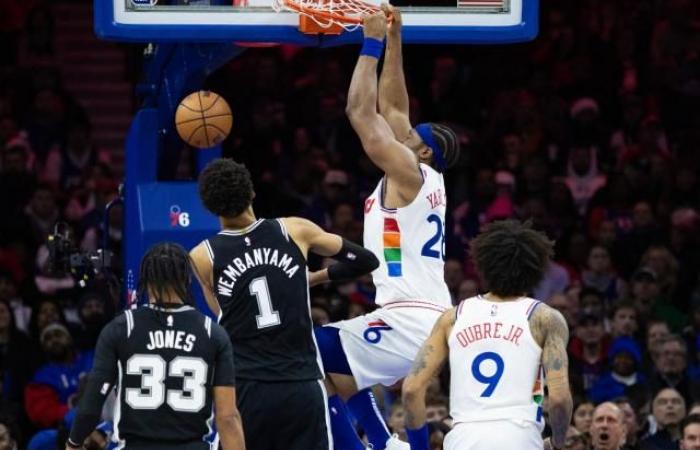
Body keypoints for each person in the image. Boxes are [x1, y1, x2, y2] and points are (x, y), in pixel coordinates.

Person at [317, 8, 461, 450]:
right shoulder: (418, 173)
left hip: (413, 316)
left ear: (425, 154)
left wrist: (371, 44)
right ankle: (385, 444)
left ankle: (377, 446)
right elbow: (394, 107)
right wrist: (397, 38)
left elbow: (360, 113)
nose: (403, 132)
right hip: (419, 313)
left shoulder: (408, 173)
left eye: (412, 137)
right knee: (335, 376)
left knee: (306, 354)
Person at [190, 159, 379, 450]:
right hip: (301, 384)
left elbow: (222, 315)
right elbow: (366, 261)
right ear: (252, 194)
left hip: (249, 389)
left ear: (210, 208)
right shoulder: (294, 230)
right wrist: (313, 278)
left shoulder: (203, 257)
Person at [401, 220, 572, 450]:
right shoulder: (545, 318)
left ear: (483, 265)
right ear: (535, 269)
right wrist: (557, 442)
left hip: (463, 438)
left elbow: (411, 390)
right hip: (519, 437)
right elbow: (559, 400)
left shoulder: (452, 318)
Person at [64, 243, 245, 450]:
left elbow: (91, 406)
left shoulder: (122, 328)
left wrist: (73, 443)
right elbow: (228, 417)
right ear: (187, 279)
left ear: (145, 280)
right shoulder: (213, 333)